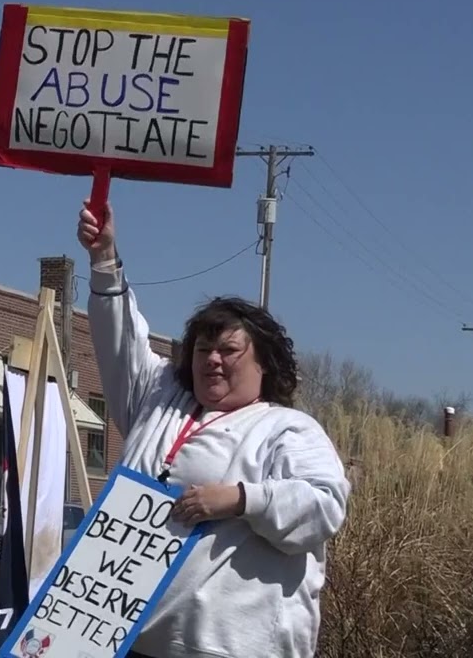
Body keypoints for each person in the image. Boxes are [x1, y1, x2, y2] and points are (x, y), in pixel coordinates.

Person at [77, 201, 351, 658]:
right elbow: (120, 340)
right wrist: (104, 258)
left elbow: (324, 506)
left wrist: (241, 499)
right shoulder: (159, 398)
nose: (213, 360)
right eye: (203, 349)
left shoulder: (287, 429)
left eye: (229, 350)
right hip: (128, 641)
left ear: (265, 363)